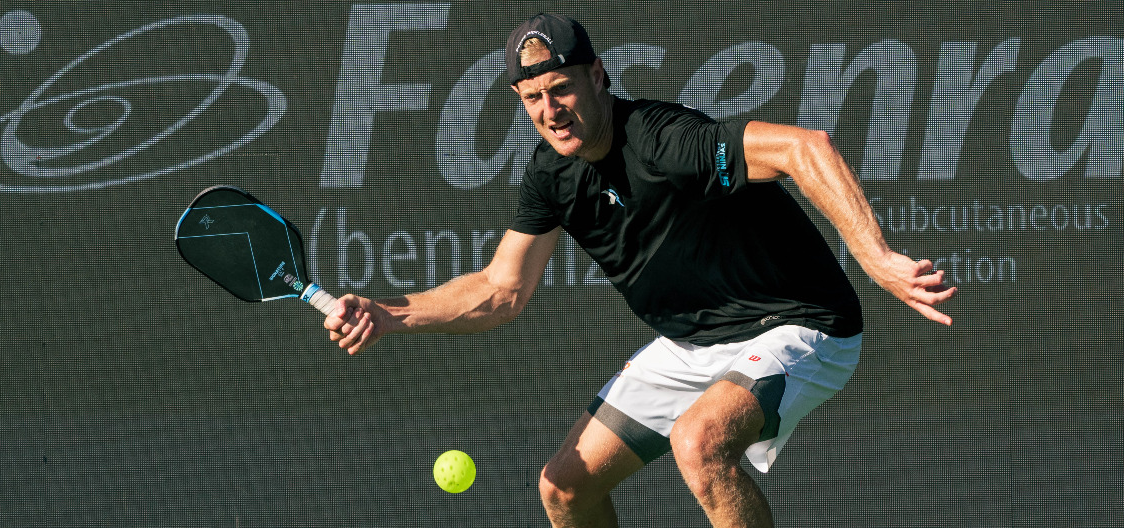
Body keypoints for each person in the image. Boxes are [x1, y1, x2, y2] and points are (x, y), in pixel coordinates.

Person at [325, 13, 955, 528]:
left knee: (699, 445)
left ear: (598, 76)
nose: (551, 110)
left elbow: (803, 146)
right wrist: (389, 314)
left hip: (799, 323)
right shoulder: (551, 174)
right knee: (564, 489)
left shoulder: (662, 139)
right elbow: (500, 290)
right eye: (533, 98)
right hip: (692, 343)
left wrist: (877, 258)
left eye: (562, 88)